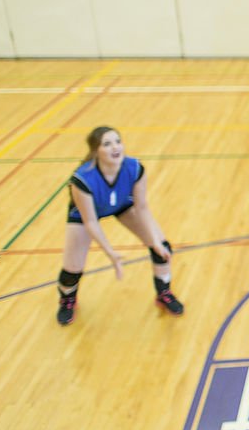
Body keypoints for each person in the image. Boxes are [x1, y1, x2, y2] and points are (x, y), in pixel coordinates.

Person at [56, 126, 183, 325]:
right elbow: (90, 222)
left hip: (123, 205)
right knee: (72, 269)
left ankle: (163, 292)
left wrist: (154, 242)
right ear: (96, 151)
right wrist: (111, 253)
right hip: (86, 214)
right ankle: (67, 299)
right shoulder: (82, 179)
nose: (115, 147)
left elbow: (142, 208)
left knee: (162, 248)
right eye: (107, 144)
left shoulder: (134, 168)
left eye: (118, 141)